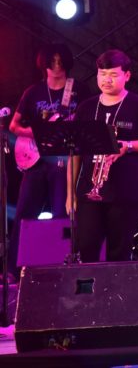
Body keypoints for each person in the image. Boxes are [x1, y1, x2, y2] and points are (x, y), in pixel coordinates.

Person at [68, 49, 138, 262]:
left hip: (126, 192)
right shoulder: (86, 108)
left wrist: (129, 146)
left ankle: (117, 286)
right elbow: (75, 153)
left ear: (127, 76)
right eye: (102, 74)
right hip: (89, 192)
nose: (107, 80)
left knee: (119, 253)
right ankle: (90, 286)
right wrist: (70, 193)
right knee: (86, 247)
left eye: (113, 75)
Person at [8, 44, 82, 269]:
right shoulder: (33, 92)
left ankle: (61, 266)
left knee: (62, 213)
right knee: (25, 213)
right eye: (52, 62)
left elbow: (87, 123)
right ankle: (14, 268)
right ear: (44, 65)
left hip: (63, 160)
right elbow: (14, 126)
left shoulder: (78, 90)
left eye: (60, 62)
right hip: (35, 160)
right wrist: (35, 133)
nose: (56, 67)